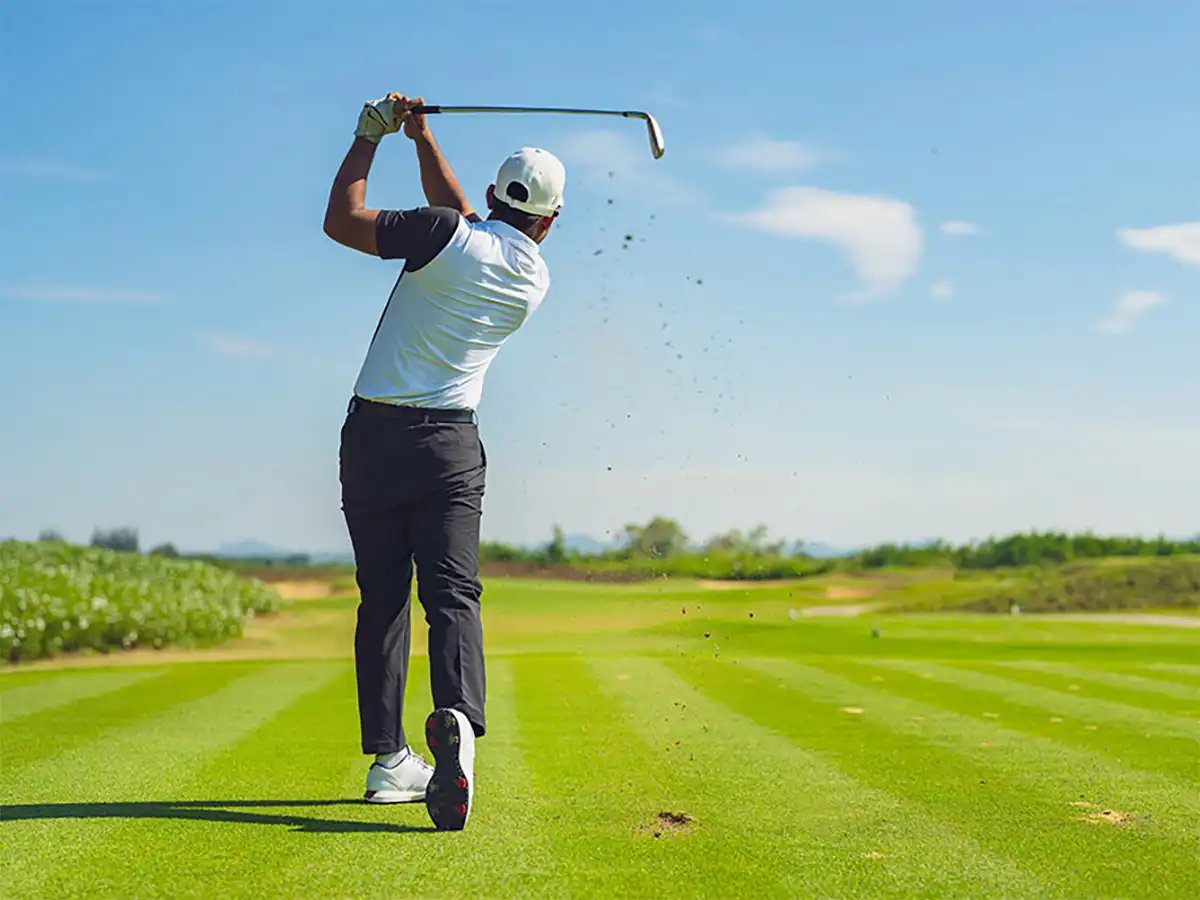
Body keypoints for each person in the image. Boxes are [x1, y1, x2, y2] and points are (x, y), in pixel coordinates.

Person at [322, 91, 565, 831]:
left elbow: (343, 221)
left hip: (373, 440)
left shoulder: (441, 234)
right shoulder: (531, 279)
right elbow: (467, 224)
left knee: (383, 599)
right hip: (450, 449)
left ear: (497, 196)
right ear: (549, 222)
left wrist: (370, 136)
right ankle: (457, 717)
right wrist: (423, 139)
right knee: (454, 596)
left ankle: (390, 759)